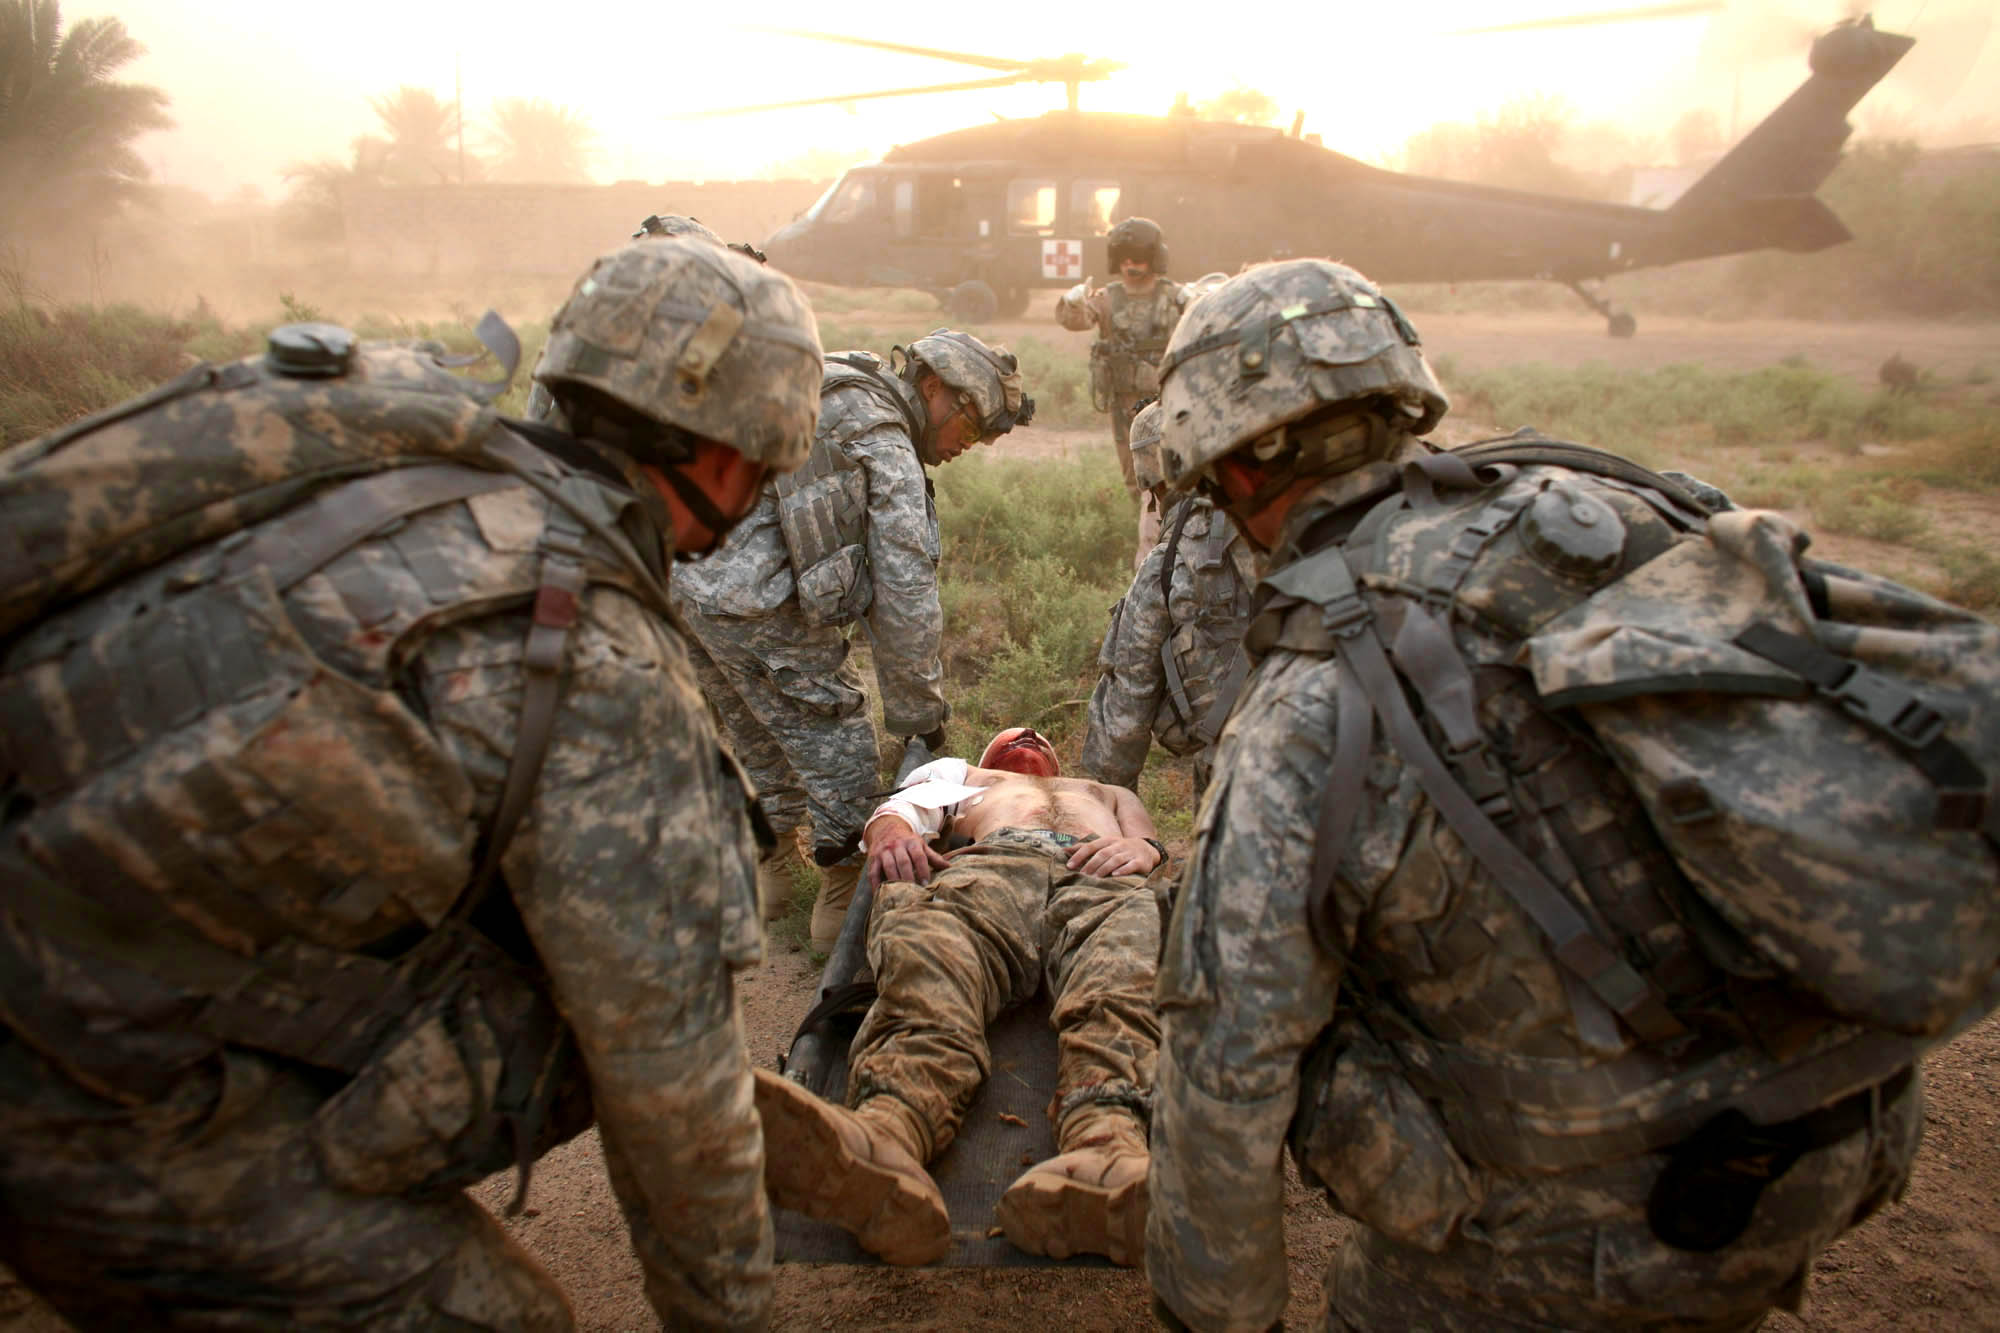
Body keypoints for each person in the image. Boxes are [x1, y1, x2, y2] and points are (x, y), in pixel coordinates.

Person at [0, 236, 824, 1329]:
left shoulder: (375, 472)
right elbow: (671, 1095)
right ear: (734, 456)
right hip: (76, 1090)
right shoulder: (597, 665)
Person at [1144, 259, 1974, 1332]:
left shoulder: (1308, 697)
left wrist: (1209, 1317)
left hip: (1602, 1219)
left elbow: (1225, 1060)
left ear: (1238, 470)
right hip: (1838, 1125)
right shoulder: (1612, 511)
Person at [753, 726, 1167, 1268]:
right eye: (1015, 734)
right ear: (992, 754)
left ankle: (1107, 1149)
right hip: (992, 867)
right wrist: (891, 837)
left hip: (1100, 874)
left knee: (1124, 979)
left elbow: (1150, 845)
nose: (1030, 735)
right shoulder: (965, 776)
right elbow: (899, 815)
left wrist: (1142, 848)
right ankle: (888, 1136)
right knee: (931, 959)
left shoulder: (1106, 791)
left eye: (1038, 738)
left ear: (1057, 762)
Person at [674, 330, 1033, 950]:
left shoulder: (831, 377)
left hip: (683, 581)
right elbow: (904, 596)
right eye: (968, 433)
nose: (961, 450)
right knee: (837, 734)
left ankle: (774, 871)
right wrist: (919, 713)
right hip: (753, 599)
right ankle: (841, 906)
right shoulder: (883, 440)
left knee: (753, 725)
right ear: (933, 390)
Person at [1082, 400, 1258, 801]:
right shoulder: (1286, 518)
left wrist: (1107, 813)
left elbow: (1125, 710)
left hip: (1231, 767)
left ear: (1157, 483)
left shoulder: (1170, 558)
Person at [1055, 217, 1190, 509]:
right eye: (1125, 257)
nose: (1131, 264)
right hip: (1125, 405)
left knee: (1178, 467)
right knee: (1136, 476)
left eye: (1139, 258)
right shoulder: (1107, 298)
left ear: (1153, 258)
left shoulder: (1174, 296)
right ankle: (1146, 531)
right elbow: (1076, 320)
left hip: (1169, 399)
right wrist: (1073, 302)